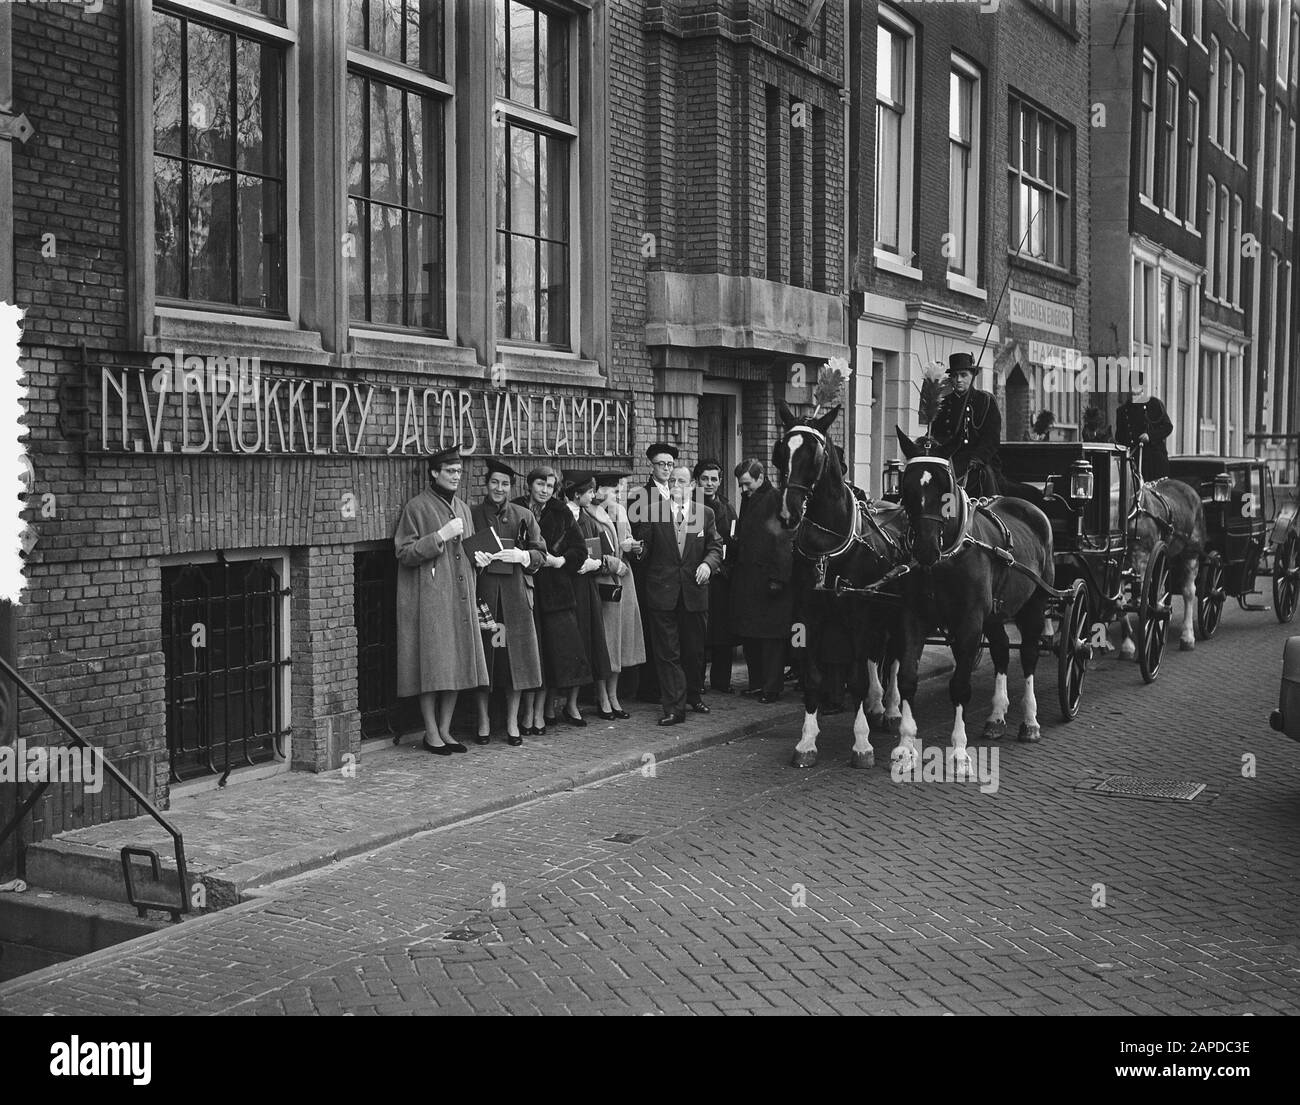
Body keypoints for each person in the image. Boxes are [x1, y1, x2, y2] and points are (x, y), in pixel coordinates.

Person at [394, 444, 489, 755]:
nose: (456, 476)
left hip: (460, 600)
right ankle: (430, 732)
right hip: (432, 602)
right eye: (450, 471)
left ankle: (446, 729)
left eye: (459, 471)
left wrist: (481, 559)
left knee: (458, 665)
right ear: (434, 473)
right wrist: (440, 536)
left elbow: (470, 550)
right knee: (432, 667)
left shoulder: (463, 507)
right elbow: (404, 552)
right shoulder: (417, 508)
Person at [633, 464, 724, 725]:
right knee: (667, 652)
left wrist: (708, 564)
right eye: (672, 480)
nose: (676, 485)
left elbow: (715, 546)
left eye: (682, 481)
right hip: (663, 592)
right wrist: (637, 550)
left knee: (694, 651)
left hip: (694, 592)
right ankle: (673, 707)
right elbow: (645, 550)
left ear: (692, 485)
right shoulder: (652, 513)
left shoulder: (704, 514)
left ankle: (693, 695)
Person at [514, 467, 599, 736]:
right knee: (529, 654)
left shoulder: (560, 511)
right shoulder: (516, 508)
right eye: (540, 484)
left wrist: (560, 560)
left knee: (550, 656)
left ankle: (538, 713)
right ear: (529, 485)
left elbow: (580, 549)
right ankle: (526, 713)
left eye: (550, 486)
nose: (545, 491)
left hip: (554, 590)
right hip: (523, 587)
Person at [470, 458, 546, 747]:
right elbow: (462, 551)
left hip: (515, 599)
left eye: (504, 484)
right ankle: (484, 721)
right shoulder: (473, 514)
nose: (499, 489)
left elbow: (541, 553)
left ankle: (513, 722)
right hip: (485, 599)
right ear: (486, 485)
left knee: (517, 661)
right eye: (494, 483)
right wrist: (474, 560)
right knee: (485, 661)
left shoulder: (524, 515)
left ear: (510, 487)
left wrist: (523, 556)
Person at [729, 458, 795, 703]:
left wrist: (778, 578)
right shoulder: (751, 498)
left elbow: (782, 539)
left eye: (747, 484)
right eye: (741, 485)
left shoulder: (775, 499)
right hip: (750, 580)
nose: (743, 490)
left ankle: (771, 687)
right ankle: (757, 684)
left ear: (760, 477)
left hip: (769, 582)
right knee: (752, 636)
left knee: (771, 640)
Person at [584, 471, 646, 719]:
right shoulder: (588, 513)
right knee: (606, 641)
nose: (617, 495)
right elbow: (592, 549)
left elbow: (626, 541)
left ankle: (614, 694)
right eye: (613, 490)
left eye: (619, 491)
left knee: (619, 641)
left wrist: (633, 547)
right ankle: (602, 696)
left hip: (622, 579)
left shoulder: (619, 511)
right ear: (598, 490)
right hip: (604, 581)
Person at [562, 470, 615, 726]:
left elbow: (601, 550)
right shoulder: (559, 516)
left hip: (587, 589)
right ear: (576, 494)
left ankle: (574, 704)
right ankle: (562, 705)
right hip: (565, 588)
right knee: (568, 644)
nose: (593, 496)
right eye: (589, 492)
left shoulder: (589, 518)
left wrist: (593, 564)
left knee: (588, 643)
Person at [631, 442, 679, 703]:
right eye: (661, 464)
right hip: (651, 570)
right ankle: (649, 688)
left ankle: (666, 686)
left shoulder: (675, 492)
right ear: (652, 466)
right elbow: (640, 534)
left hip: (672, 574)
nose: (666, 469)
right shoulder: (641, 495)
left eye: (670, 464)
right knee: (652, 631)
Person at [931, 351, 1002, 498]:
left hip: (977, 462)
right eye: (955, 376)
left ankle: (988, 512)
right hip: (948, 461)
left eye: (963, 375)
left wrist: (978, 458)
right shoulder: (943, 404)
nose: (958, 380)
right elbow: (936, 435)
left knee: (986, 477)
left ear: (972, 376)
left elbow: (991, 438)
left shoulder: (986, 401)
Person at [695, 459, 738, 693]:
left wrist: (726, 568)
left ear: (720, 482)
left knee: (722, 631)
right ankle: (697, 681)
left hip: (721, 579)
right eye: (705, 479)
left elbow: (733, 543)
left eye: (714, 479)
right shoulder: (689, 505)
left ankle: (722, 681)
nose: (709, 484)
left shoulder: (727, 508)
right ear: (697, 480)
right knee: (698, 633)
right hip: (698, 576)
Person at [1116, 376, 1173, 481]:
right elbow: (1119, 436)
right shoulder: (1122, 411)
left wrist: (1150, 436)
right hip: (1134, 461)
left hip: (1154, 462)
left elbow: (1167, 427)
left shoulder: (1154, 404)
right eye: (1130, 387)